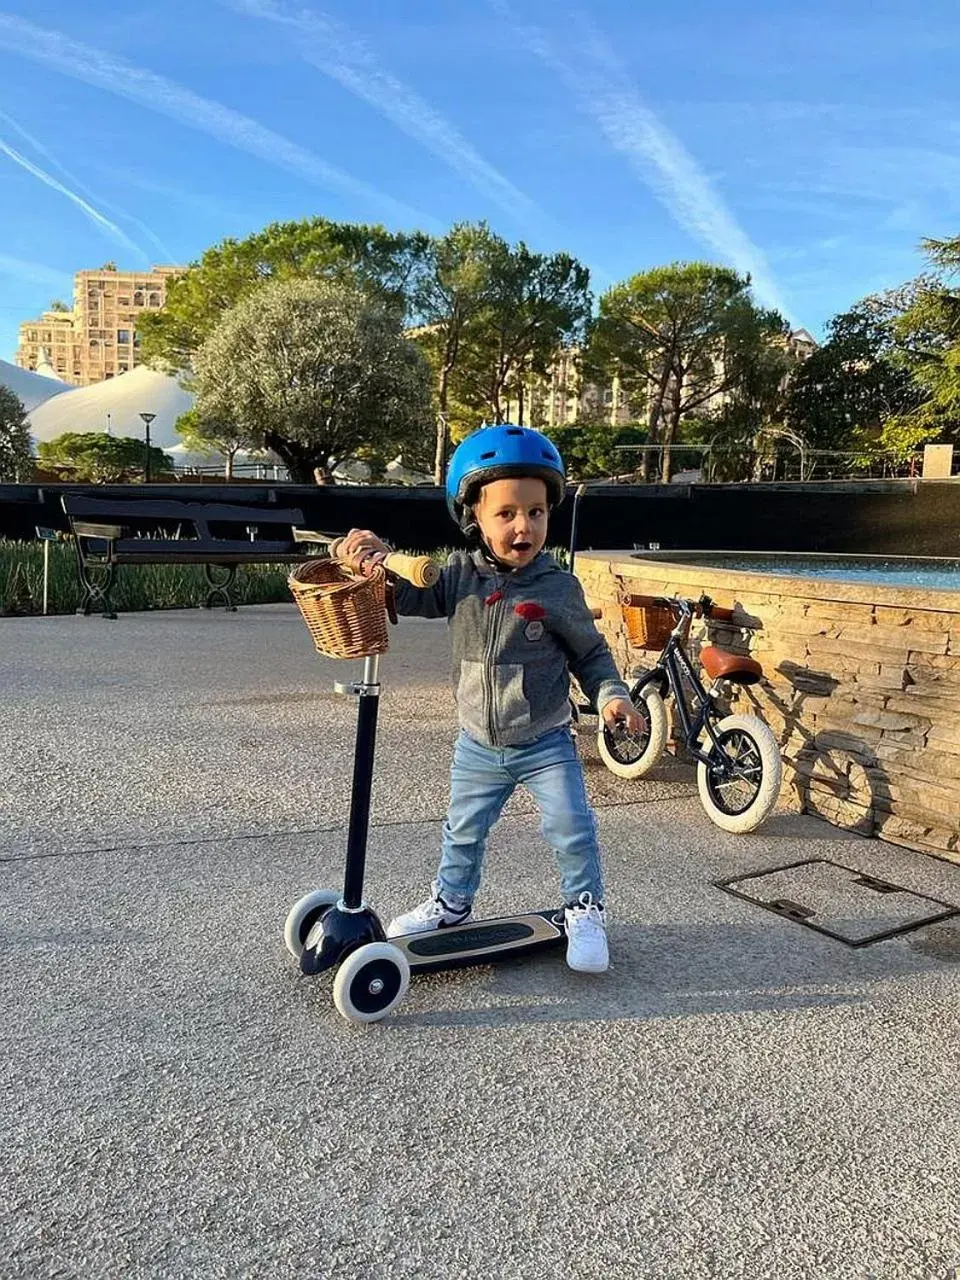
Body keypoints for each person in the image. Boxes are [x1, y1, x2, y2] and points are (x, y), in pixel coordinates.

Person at [337, 423, 642, 973]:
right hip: (478, 744)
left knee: (571, 826)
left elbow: (591, 655)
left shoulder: (558, 588)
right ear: (474, 517)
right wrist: (370, 561)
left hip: (545, 740)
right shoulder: (458, 576)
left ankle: (585, 909)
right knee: (463, 830)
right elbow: (407, 595)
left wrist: (612, 695)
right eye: (506, 513)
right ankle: (452, 904)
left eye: (537, 511)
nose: (523, 525)